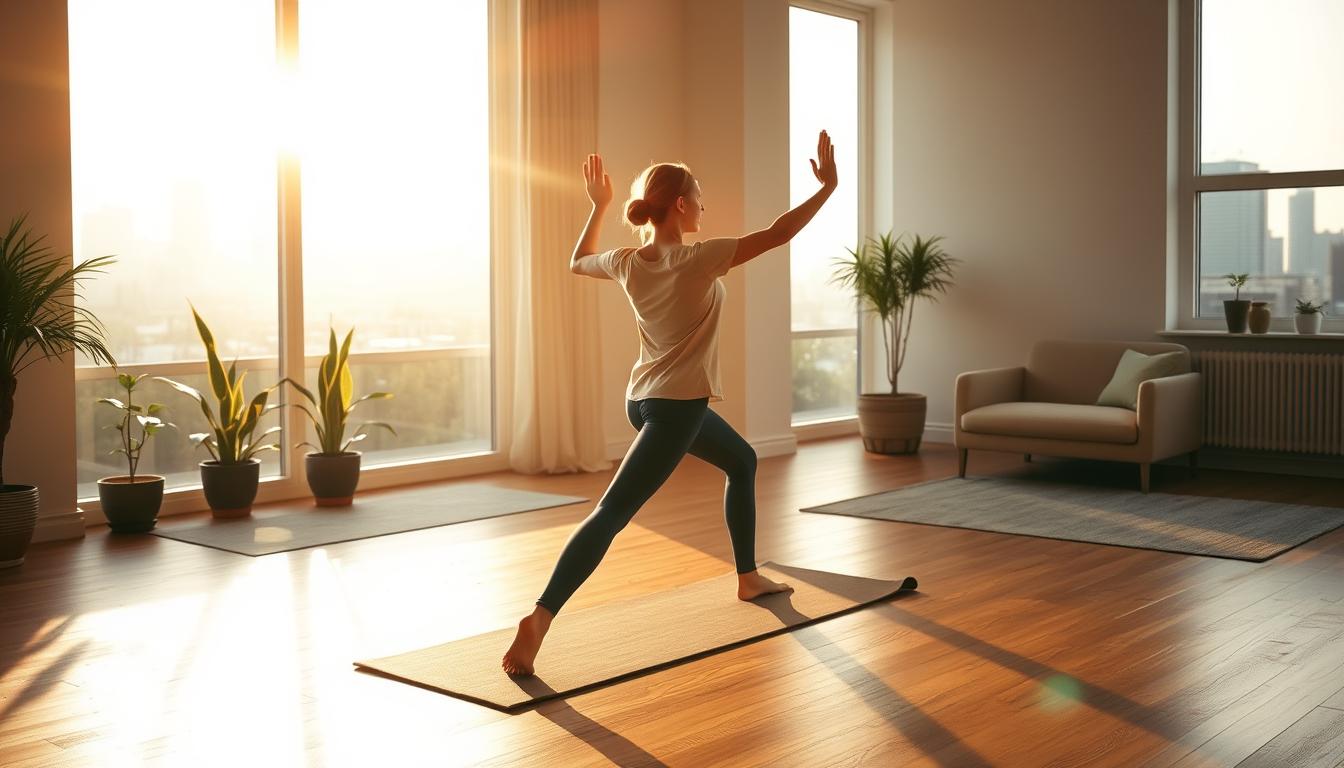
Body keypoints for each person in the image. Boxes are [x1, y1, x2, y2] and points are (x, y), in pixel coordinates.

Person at [501, 130, 840, 676]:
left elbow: (576, 260)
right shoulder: (700, 259)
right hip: (676, 406)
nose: (705, 203)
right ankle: (539, 619)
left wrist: (600, 207)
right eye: (699, 195)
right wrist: (826, 190)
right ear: (680, 205)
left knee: (743, 461)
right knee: (612, 513)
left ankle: (748, 576)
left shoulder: (628, 261)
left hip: (644, 400)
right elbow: (778, 233)